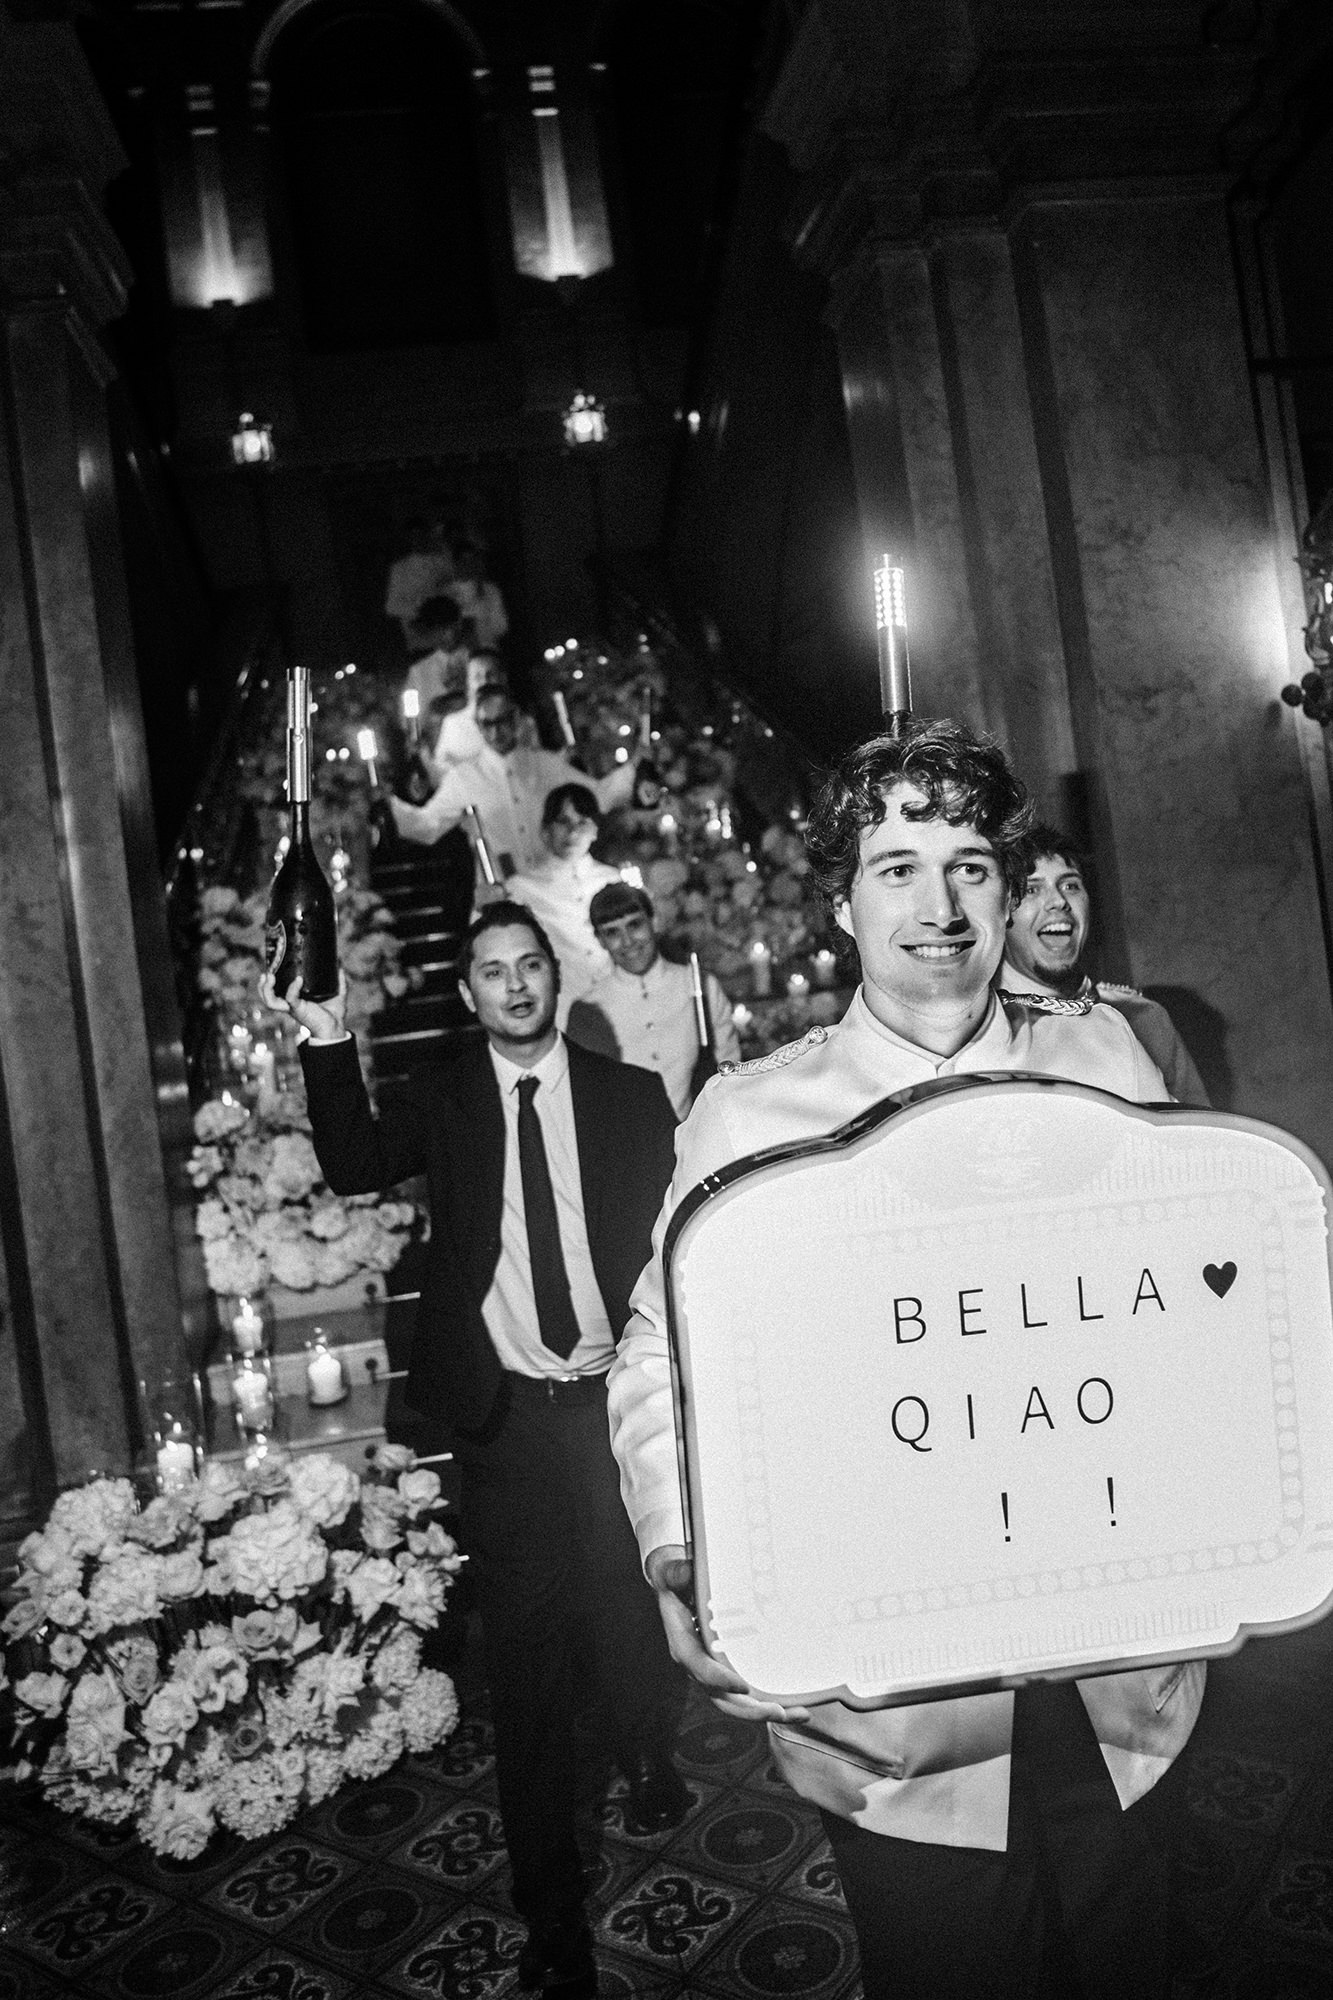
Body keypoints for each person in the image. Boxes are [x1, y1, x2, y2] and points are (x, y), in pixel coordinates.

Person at [607, 720, 1205, 2000]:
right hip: (897, 1721)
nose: (940, 904)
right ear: (839, 902)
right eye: (896, 866)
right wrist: (677, 1546)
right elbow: (662, 1348)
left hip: (1116, 1678)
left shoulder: (1109, 1060)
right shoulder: (750, 1114)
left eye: (972, 865)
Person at [264, 904, 689, 1999]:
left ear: (557, 977)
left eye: (528, 966)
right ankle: (550, 1914)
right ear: (466, 994)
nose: (512, 985)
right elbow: (355, 1162)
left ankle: (647, 1744)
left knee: (630, 1610)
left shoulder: (630, 1096)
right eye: (490, 972)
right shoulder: (443, 1098)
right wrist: (323, 1032)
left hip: (613, 1415)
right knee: (531, 1676)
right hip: (506, 1427)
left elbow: (673, 1247)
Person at [997, 821, 1209, 1107]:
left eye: (1070, 885)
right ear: (1000, 913)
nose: (1058, 901)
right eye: (1032, 890)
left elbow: (1199, 1138)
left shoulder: (1144, 1019)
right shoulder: (982, 1027)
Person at [389, 684, 635, 888]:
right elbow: (427, 825)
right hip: (502, 889)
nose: (496, 731)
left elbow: (599, 796)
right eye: (487, 724)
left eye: (502, 721)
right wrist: (386, 804)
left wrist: (636, 767)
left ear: (516, 719)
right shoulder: (464, 778)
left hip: (555, 885)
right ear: (478, 725)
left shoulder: (546, 764)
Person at [567, 882, 742, 1117]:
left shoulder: (699, 986)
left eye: (635, 925)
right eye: (612, 932)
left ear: (654, 922)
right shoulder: (589, 1009)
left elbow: (731, 1075)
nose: (627, 941)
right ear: (600, 940)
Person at [502, 786, 621, 1025]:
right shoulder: (521, 889)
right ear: (546, 831)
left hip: (619, 1004)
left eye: (582, 822)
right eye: (563, 821)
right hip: (562, 1011)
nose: (573, 832)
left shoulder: (613, 880)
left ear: (595, 830)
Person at [385, 518, 454, 647]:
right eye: (413, 536)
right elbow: (392, 606)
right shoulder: (400, 569)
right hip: (420, 638)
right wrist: (421, 613)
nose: (417, 540)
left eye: (421, 535)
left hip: (447, 636)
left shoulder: (443, 563)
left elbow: (455, 593)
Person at [445, 541, 510, 651]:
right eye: (464, 561)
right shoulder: (446, 593)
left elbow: (501, 626)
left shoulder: (490, 590)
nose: (468, 565)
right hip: (456, 654)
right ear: (456, 563)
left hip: (486, 649)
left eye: (472, 560)